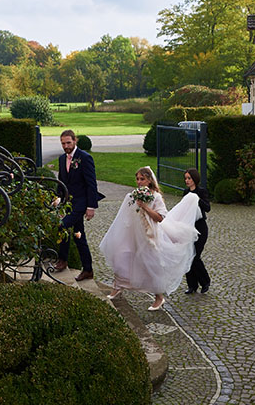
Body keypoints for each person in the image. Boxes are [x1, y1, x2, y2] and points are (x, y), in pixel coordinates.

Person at [99, 167, 199, 311]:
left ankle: (159, 297)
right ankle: (118, 287)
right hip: (133, 234)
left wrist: (145, 207)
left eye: (142, 179)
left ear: (149, 180)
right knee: (122, 257)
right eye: (138, 179)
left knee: (150, 264)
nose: (139, 182)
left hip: (149, 236)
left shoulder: (156, 196)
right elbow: (126, 214)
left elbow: (160, 217)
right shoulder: (134, 195)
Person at [54, 129, 104, 280]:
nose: (66, 146)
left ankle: (62, 260)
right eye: (63, 143)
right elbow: (62, 181)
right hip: (68, 203)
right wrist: (58, 197)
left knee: (62, 226)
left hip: (81, 203)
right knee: (78, 235)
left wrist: (91, 207)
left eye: (68, 142)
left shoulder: (85, 158)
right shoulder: (62, 159)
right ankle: (88, 269)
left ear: (75, 141)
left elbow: (91, 184)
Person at [182, 168, 211, 294]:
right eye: (186, 178)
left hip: (200, 228)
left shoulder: (201, 191)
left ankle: (205, 281)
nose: (187, 181)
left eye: (189, 178)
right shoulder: (185, 192)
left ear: (194, 179)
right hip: (189, 227)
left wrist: (196, 198)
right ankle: (192, 285)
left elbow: (207, 208)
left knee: (195, 256)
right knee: (188, 255)